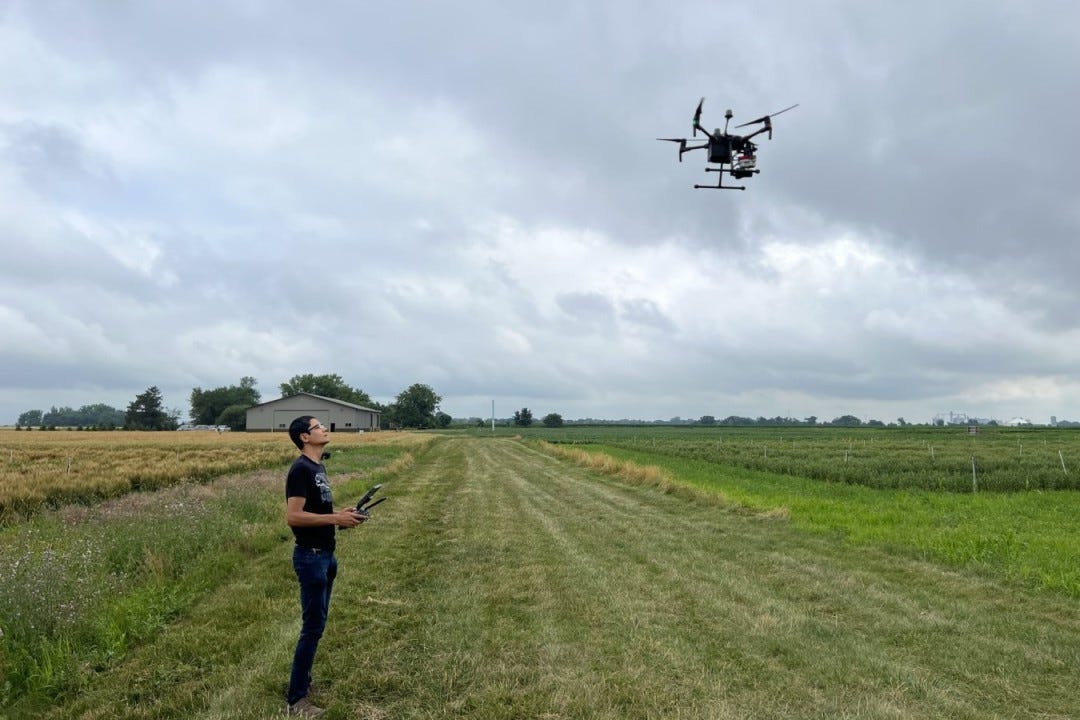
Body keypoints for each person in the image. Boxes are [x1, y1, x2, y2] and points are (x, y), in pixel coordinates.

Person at [284, 415, 366, 717]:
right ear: (305, 437)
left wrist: (342, 515)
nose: (323, 429)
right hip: (311, 557)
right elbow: (293, 516)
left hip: (326, 555)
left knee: (317, 626)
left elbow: (315, 511)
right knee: (312, 628)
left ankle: (303, 682)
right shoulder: (301, 469)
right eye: (317, 427)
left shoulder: (318, 467)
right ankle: (296, 699)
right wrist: (335, 518)